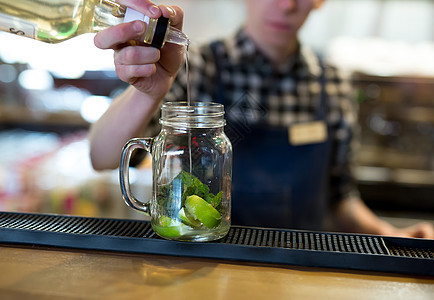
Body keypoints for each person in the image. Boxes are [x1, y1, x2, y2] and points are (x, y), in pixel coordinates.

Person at [89, 0, 433, 238]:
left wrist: (392, 235)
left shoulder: (334, 85)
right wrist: (149, 92)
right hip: (209, 264)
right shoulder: (199, 67)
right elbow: (102, 157)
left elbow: (339, 198)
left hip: (305, 267)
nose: (285, 5)